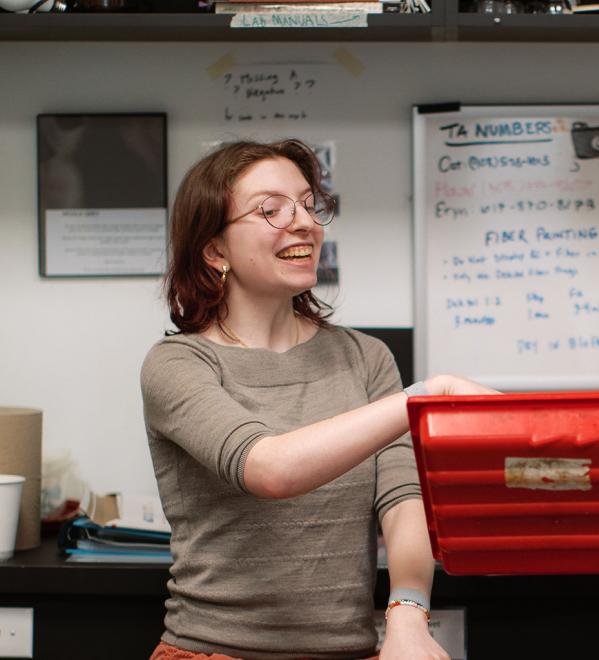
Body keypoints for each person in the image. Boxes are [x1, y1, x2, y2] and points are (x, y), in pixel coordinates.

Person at [140, 139, 495, 660]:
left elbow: (403, 500)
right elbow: (270, 468)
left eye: (308, 204)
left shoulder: (364, 357)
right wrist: (426, 396)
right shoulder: (178, 365)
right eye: (271, 209)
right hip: (210, 653)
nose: (304, 222)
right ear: (215, 250)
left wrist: (408, 617)